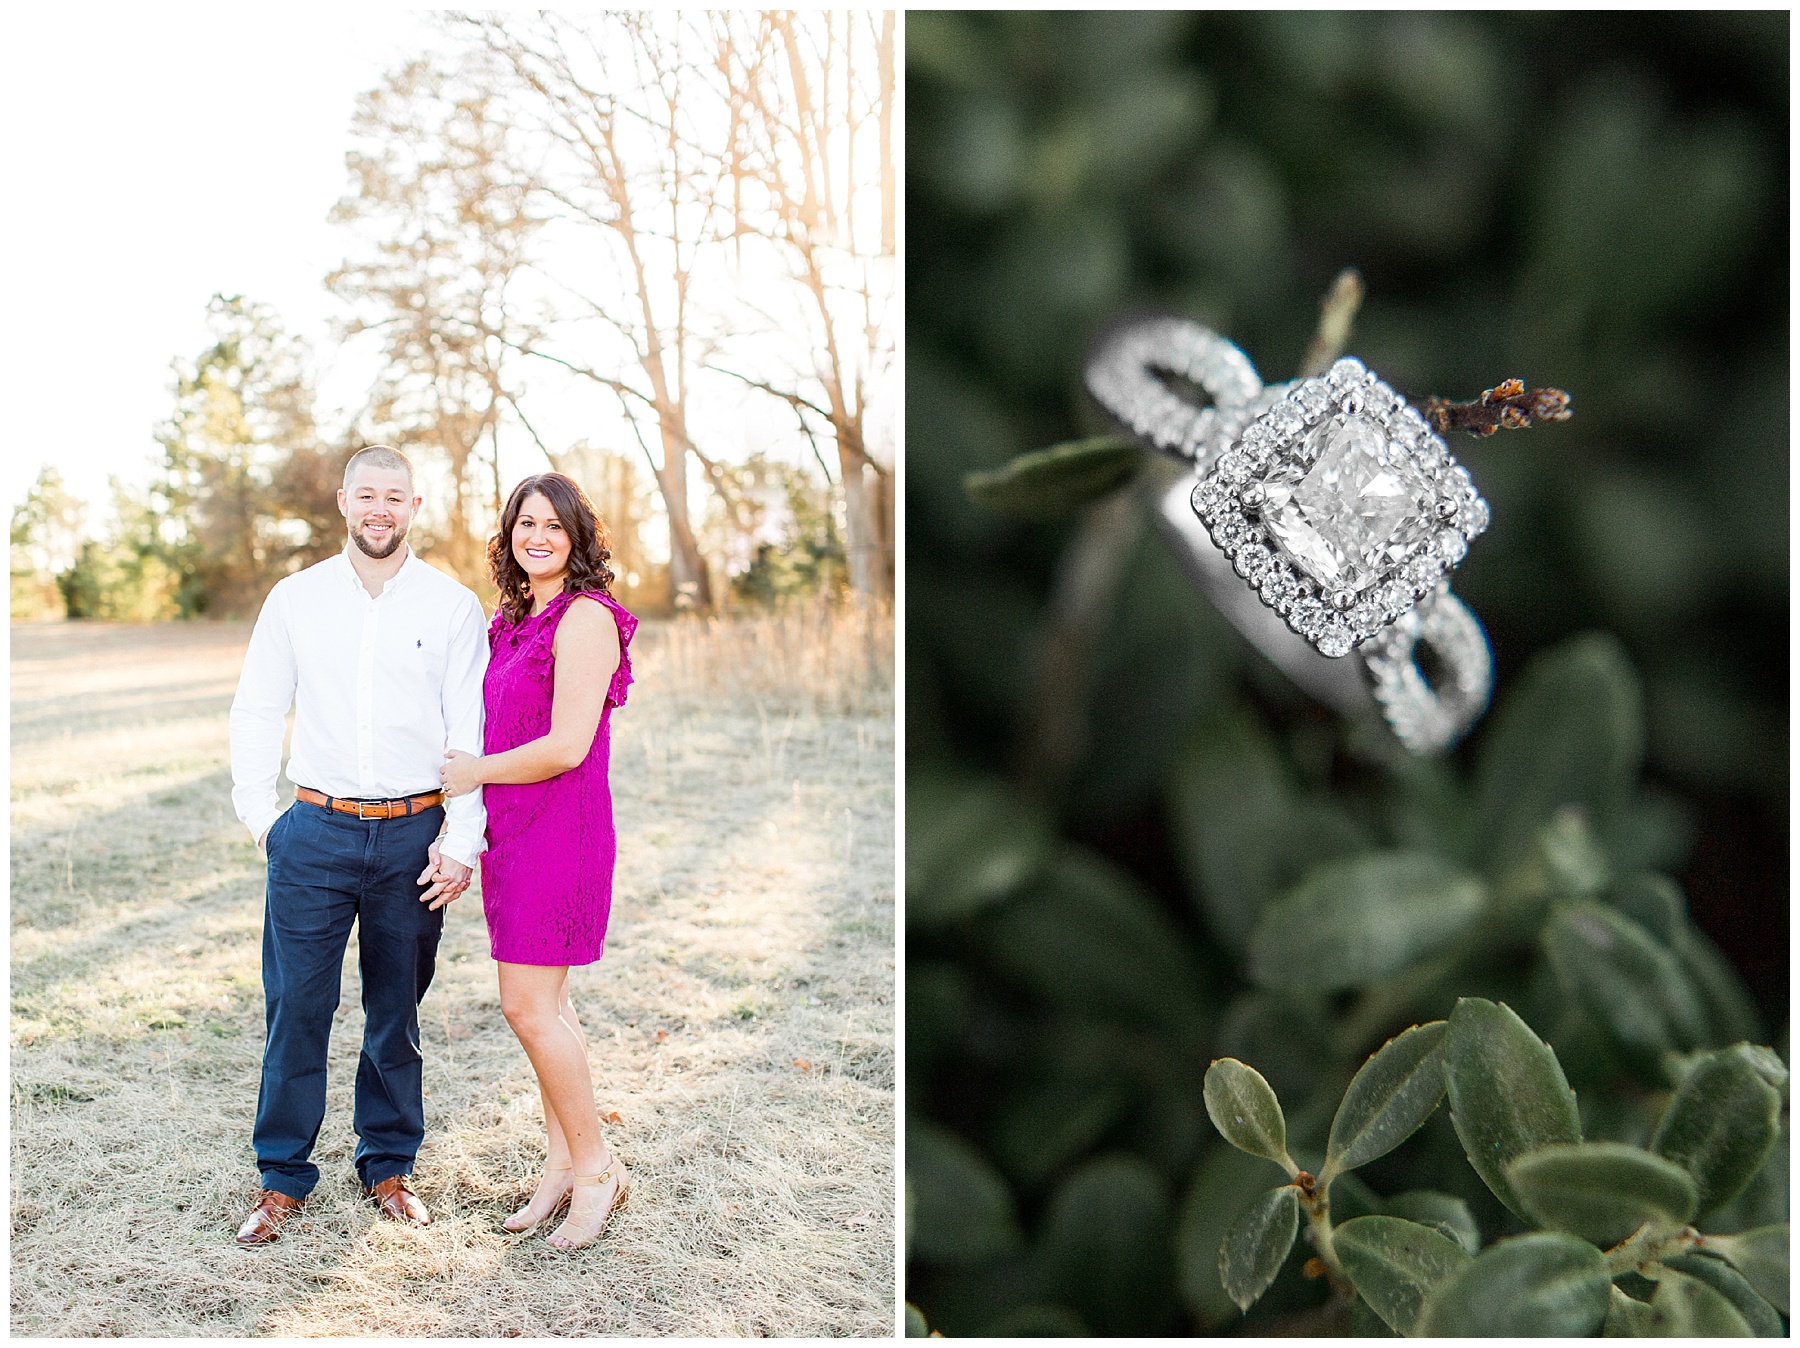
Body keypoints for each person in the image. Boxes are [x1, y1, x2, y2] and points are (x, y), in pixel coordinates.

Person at [228, 445, 488, 1245]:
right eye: (367, 494)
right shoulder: (297, 598)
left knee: (394, 1012)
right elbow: (256, 707)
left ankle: (388, 1164)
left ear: (416, 506)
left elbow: (468, 733)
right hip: (314, 831)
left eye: (396, 497)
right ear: (344, 502)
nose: (381, 509)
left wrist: (462, 840)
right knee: (297, 1009)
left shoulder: (450, 606)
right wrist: (262, 820)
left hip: (415, 835)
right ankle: (281, 1178)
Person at [439, 471, 636, 1251]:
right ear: (509, 535)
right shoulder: (514, 619)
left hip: (563, 832)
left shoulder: (585, 617)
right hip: (513, 835)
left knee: (527, 1008)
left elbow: (566, 745)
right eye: (526, 523)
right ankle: (560, 1165)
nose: (539, 537)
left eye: (555, 525)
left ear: (578, 537)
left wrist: (471, 772)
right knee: (546, 1008)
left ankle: (597, 1171)